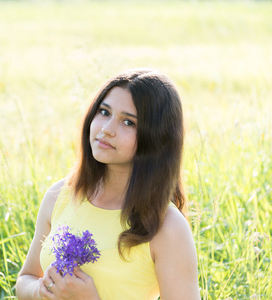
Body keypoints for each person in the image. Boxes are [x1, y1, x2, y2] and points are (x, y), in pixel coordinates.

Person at [15, 68, 200, 300]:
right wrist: (40, 290)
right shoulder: (59, 195)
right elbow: (26, 278)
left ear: (156, 138)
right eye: (104, 112)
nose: (106, 129)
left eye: (128, 122)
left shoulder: (167, 227)